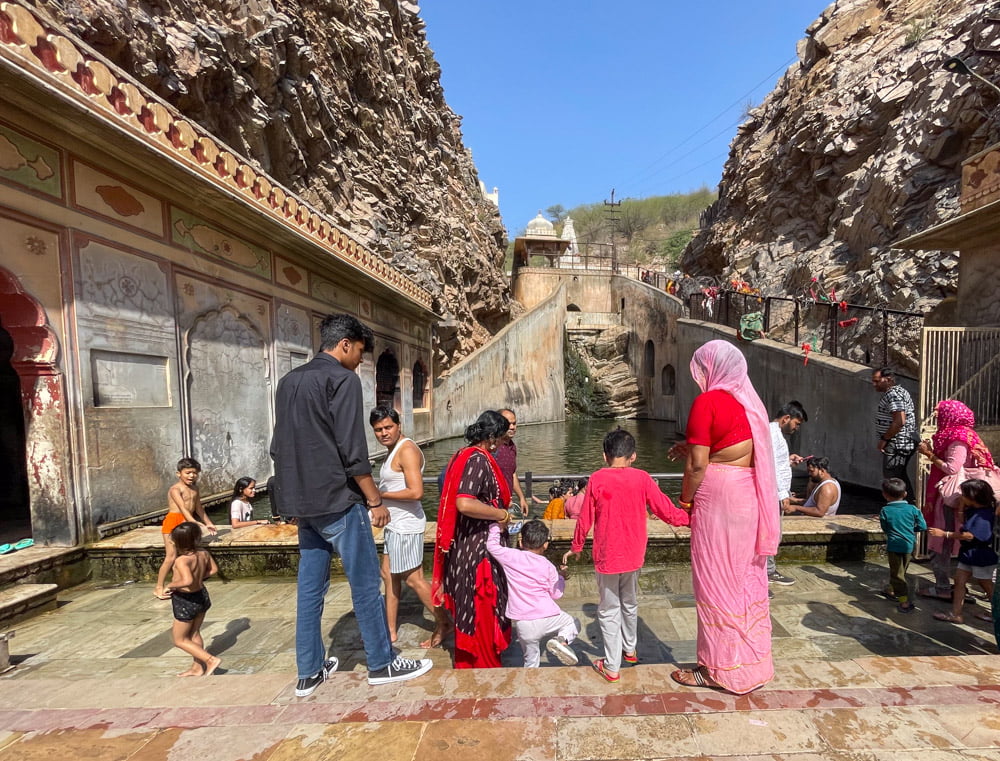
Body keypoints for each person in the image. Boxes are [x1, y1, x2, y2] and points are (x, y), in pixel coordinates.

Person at [270, 313, 432, 696]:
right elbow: (352, 449)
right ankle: (382, 662)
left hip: (304, 505)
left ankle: (309, 672)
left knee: (310, 591)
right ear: (345, 344)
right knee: (365, 585)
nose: (360, 361)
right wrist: (374, 499)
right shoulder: (342, 379)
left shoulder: (289, 381)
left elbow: (279, 446)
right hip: (339, 501)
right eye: (359, 352)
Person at [668, 339, 778, 695]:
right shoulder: (749, 403)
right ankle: (753, 665)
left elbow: (698, 465)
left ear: (711, 369)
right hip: (747, 496)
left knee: (715, 580)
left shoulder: (707, 401)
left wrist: (684, 501)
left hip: (719, 499)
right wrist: (693, 446)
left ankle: (716, 669)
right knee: (745, 579)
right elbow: (734, 445)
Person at [564, 428, 690, 683]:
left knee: (609, 609)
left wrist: (576, 546)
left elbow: (585, 518)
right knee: (629, 601)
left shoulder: (597, 479)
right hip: (634, 553)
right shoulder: (642, 478)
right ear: (633, 456)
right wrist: (690, 518)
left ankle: (612, 666)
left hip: (607, 555)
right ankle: (630, 649)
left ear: (604, 455)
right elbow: (665, 510)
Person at [432, 409, 515, 668]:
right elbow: (465, 502)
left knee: (475, 607)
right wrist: (501, 514)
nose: (502, 444)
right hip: (477, 549)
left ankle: (477, 663)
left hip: (468, 544)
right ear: (491, 437)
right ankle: (483, 666)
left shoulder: (464, 454)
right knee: (482, 608)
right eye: (500, 438)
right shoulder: (478, 459)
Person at [369, 404, 450, 648]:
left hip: (406, 525)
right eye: (378, 430)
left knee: (414, 579)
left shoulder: (407, 450)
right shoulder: (393, 450)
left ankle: (444, 621)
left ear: (398, 425)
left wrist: (379, 495)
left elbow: (416, 492)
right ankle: (390, 631)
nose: (384, 433)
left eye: (388, 427)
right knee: (388, 575)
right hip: (394, 525)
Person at [917, 400, 1000, 601]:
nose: (939, 419)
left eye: (941, 415)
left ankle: (943, 587)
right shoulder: (965, 434)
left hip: (954, 497)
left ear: (950, 416)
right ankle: (963, 587)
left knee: (941, 541)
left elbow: (952, 468)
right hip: (965, 497)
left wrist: (929, 454)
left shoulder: (957, 438)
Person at [485, 519, 579, 667]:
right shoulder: (548, 566)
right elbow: (556, 594)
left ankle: (530, 680)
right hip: (547, 617)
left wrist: (497, 526)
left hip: (523, 623)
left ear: (521, 542)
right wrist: (561, 577)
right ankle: (561, 640)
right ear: (545, 545)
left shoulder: (511, 556)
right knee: (573, 623)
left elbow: (492, 546)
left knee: (530, 662)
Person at [928, 479, 997, 626]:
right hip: (967, 554)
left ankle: (996, 613)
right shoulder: (974, 510)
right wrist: (961, 505)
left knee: (986, 584)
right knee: (959, 581)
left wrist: (945, 534)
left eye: (964, 494)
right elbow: (963, 521)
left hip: (980, 555)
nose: (962, 496)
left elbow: (969, 535)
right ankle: (956, 614)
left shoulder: (984, 515)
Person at [154, 458, 217, 600]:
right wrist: (194, 522)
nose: (191, 476)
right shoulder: (175, 489)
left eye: (195, 473)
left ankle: (185, 579)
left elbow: (199, 508)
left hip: (187, 521)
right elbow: (182, 508)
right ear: (179, 473)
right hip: (174, 521)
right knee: (171, 556)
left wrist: (208, 522)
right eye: (188, 473)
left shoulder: (195, 489)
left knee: (190, 552)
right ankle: (158, 587)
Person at [166, 521, 221, 676]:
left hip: (186, 600)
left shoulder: (182, 560)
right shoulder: (203, 553)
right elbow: (214, 570)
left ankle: (210, 660)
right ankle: (197, 667)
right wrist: (200, 577)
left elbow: (187, 581)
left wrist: (170, 585)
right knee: (194, 633)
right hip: (201, 596)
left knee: (179, 640)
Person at [767, 401, 808, 586]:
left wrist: (788, 460)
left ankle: (768, 570)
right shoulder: (773, 434)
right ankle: (767, 572)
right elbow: (772, 466)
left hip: (773, 492)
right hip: (772, 494)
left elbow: (776, 462)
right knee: (771, 533)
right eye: (796, 424)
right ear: (786, 418)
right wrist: (783, 494)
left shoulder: (774, 433)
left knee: (772, 533)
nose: (796, 428)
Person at [878, 478, 926, 614]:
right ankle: (891, 589)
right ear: (905, 494)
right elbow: (923, 526)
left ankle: (904, 601)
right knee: (901, 570)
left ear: (885, 495)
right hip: (909, 545)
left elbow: (885, 528)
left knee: (897, 574)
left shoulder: (885, 510)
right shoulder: (913, 509)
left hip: (894, 546)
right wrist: (911, 530)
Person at [872, 367, 917, 503]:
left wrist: (884, 439)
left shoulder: (894, 394)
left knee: (893, 480)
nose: (874, 384)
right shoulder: (896, 393)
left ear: (888, 379)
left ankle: (901, 508)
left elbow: (899, 421)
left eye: (877, 381)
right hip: (899, 442)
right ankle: (909, 506)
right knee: (899, 477)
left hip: (897, 443)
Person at [495, 408, 529, 514]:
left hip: (506, 503)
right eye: (508, 424)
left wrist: (521, 498)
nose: (512, 427)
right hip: (493, 504)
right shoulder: (493, 447)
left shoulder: (512, 446)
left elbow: (512, 473)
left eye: (514, 423)